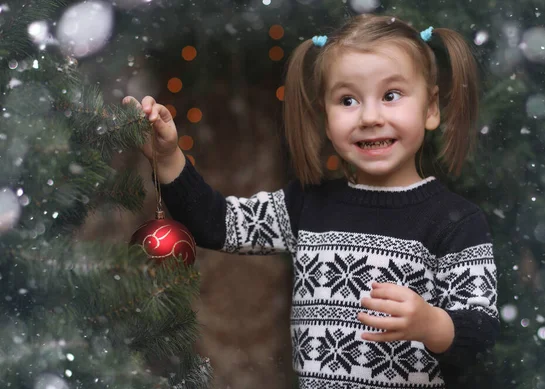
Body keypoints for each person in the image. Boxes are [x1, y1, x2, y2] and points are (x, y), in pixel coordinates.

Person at [123, 14, 499, 388]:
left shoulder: (456, 222)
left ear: (431, 108)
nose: (370, 116)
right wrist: (169, 156)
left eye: (391, 95)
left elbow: (480, 333)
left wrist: (431, 324)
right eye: (347, 100)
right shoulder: (307, 206)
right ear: (324, 116)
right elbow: (216, 223)